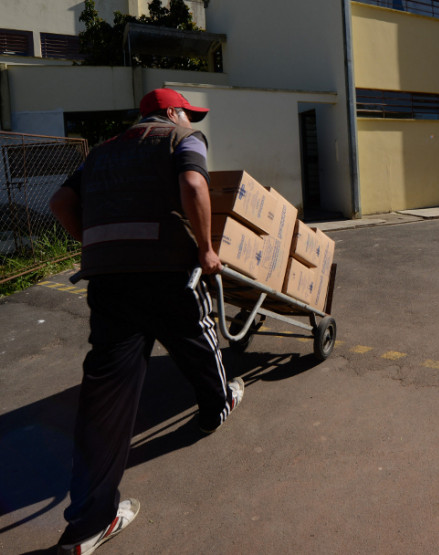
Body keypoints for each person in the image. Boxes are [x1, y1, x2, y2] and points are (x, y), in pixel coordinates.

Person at [48, 88, 244, 555]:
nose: (190, 121)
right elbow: (193, 185)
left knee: (106, 394)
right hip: (166, 272)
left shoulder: (100, 153)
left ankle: (88, 524)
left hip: (109, 281)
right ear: (172, 113)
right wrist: (206, 249)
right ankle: (216, 406)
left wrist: (96, 246)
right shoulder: (181, 138)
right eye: (187, 114)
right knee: (197, 338)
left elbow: (60, 202)